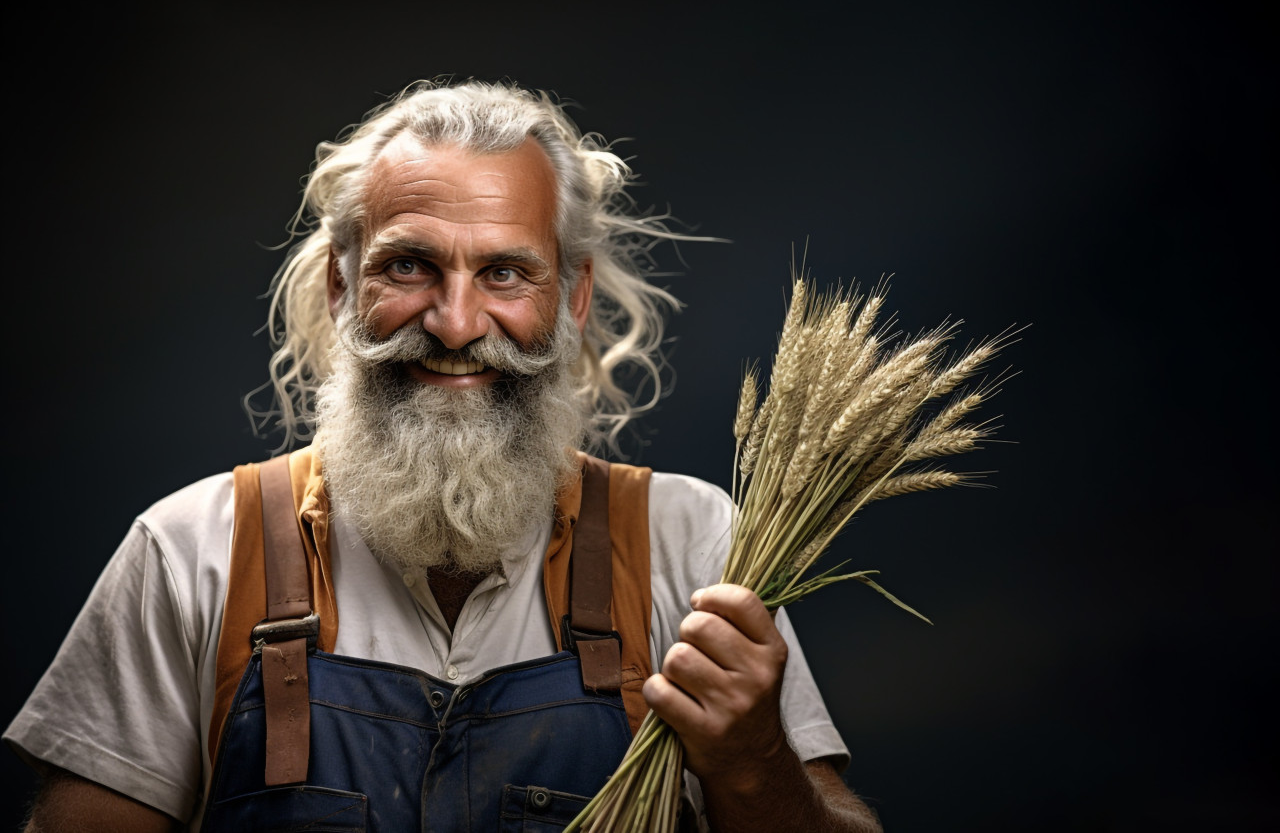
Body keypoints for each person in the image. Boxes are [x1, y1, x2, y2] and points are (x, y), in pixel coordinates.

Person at [5, 79, 883, 832]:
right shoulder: (189, 551)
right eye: (410, 266)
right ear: (342, 285)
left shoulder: (695, 546)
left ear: (570, 295)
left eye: (506, 272)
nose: (457, 324)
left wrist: (756, 762)